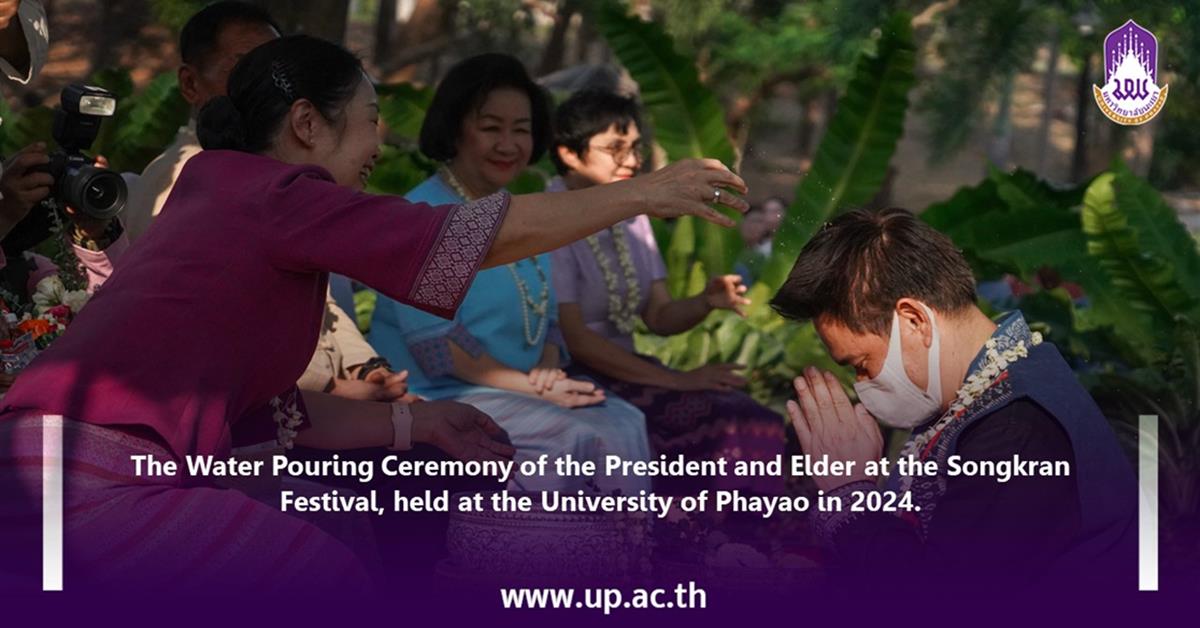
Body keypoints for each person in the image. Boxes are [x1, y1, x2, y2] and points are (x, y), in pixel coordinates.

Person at [0, 35, 747, 590]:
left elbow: (275, 412)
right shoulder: (278, 196)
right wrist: (643, 192)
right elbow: (452, 246)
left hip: (52, 472)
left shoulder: (226, 194)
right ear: (305, 124)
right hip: (83, 490)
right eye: (369, 117)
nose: (380, 138)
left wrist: (413, 423)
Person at [771, 208, 1135, 588]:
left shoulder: (1018, 428)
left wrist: (851, 494)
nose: (861, 383)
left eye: (862, 363)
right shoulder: (979, 395)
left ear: (915, 320)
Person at [369, 56, 652, 494]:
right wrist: (533, 388)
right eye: (491, 127)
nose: (508, 143)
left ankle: (628, 551)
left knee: (626, 420)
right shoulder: (429, 214)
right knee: (581, 437)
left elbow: (548, 322)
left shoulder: (517, 212)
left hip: (520, 390)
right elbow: (439, 348)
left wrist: (546, 371)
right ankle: (565, 556)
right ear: (455, 128)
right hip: (440, 394)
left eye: (520, 129)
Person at [548, 89, 785, 495]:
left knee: (755, 417)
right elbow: (576, 339)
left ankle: (738, 549)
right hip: (568, 374)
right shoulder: (549, 216)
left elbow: (658, 318)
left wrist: (705, 302)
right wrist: (676, 381)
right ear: (569, 154)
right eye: (615, 148)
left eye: (636, 148)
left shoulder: (631, 213)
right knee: (727, 420)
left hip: (630, 369)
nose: (632, 161)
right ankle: (695, 543)